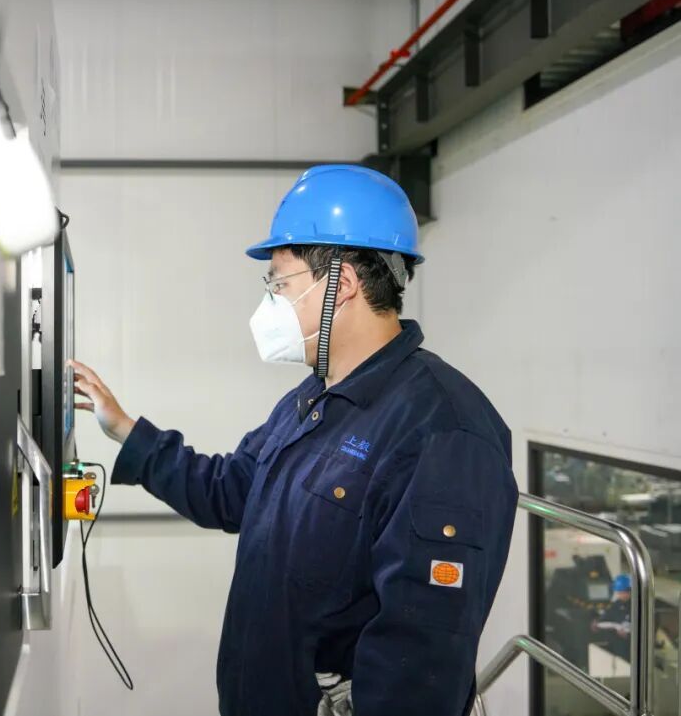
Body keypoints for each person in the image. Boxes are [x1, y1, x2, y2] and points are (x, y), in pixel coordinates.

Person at [71, 165, 518, 716]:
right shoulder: (313, 398)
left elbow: (422, 656)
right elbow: (230, 491)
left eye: (280, 285)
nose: (270, 305)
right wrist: (124, 429)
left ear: (342, 285)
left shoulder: (443, 430)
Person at [592, 574, 633, 659]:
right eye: (618, 592)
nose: (619, 595)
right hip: (616, 645)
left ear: (630, 591)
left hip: (631, 649)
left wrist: (629, 635)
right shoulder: (617, 604)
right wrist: (597, 622)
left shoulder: (638, 606)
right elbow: (607, 616)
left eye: (622, 592)